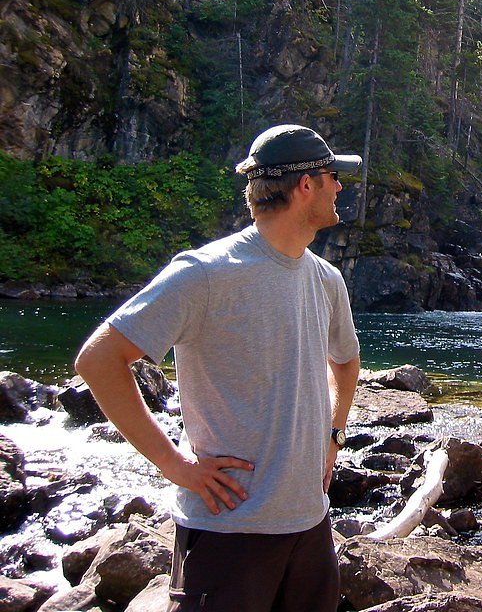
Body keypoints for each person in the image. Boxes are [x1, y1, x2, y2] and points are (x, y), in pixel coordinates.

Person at [75, 124, 363, 612]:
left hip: (310, 526)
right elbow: (98, 360)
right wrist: (177, 465)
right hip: (227, 529)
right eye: (332, 176)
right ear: (305, 185)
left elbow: (347, 361)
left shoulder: (326, 278)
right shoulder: (206, 273)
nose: (340, 186)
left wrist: (333, 437)